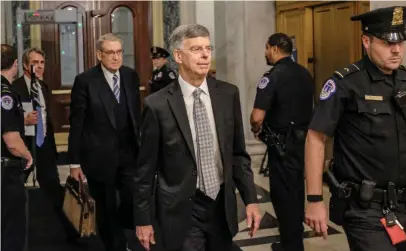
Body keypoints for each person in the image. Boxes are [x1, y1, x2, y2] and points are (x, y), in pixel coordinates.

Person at [134, 24, 261, 251]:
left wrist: (250, 199)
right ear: (178, 56)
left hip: (221, 205)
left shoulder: (228, 94)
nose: (205, 55)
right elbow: (145, 170)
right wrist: (143, 219)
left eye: (208, 48)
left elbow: (238, 154)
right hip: (181, 208)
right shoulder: (157, 105)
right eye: (196, 49)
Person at [305, 6, 406, 251]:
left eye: (401, 41)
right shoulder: (346, 84)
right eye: (387, 42)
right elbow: (315, 138)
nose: (397, 49)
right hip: (365, 209)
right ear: (366, 41)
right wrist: (314, 200)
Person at [68, 33, 141, 251]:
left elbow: (136, 116)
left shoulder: (130, 76)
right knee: (106, 207)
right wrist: (74, 163)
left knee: (132, 199)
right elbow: (77, 124)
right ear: (100, 55)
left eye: (119, 52)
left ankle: (125, 233)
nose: (116, 57)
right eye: (110, 53)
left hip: (128, 155)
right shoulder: (85, 81)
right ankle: (115, 245)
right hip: (99, 158)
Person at [250, 33, 314, 251]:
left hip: (281, 145)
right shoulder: (305, 73)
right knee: (297, 191)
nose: (266, 53)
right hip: (303, 142)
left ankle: (290, 246)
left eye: (267, 48)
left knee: (282, 194)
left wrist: (255, 128)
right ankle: (294, 240)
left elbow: (257, 116)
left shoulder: (272, 76)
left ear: (275, 48)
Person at [12, 47, 79, 243]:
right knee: (13, 193)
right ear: (25, 65)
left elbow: (45, 118)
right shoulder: (15, 88)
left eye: (42, 63)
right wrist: (22, 120)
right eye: (35, 63)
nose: (39, 67)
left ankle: (72, 234)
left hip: (44, 148)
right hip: (22, 149)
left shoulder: (43, 87)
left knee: (55, 192)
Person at [1, 44, 33, 251]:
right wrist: (28, 155)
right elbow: (11, 140)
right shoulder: (6, 94)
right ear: (15, 65)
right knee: (12, 228)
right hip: (6, 171)